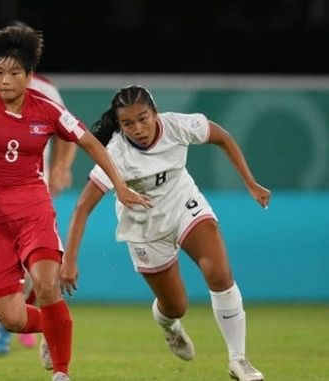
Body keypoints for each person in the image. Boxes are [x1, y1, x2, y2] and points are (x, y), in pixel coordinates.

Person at [0, 27, 150, 381]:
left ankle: (62, 372)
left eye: (14, 73)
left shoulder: (47, 108)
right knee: (12, 317)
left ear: (29, 76)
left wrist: (120, 185)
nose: (4, 81)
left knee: (47, 282)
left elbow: (90, 143)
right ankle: (54, 327)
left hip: (34, 207)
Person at [60, 85, 270, 381]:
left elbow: (223, 137)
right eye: (128, 123)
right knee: (176, 306)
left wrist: (250, 182)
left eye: (143, 118)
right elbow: (82, 207)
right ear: (119, 125)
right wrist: (69, 260)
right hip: (144, 227)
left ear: (155, 113)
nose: (138, 128)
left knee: (219, 274)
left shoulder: (177, 126)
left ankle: (239, 360)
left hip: (184, 205)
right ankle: (169, 325)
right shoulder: (116, 153)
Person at [0, 71, 77, 356]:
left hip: (30, 195)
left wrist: (61, 167)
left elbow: (69, 132)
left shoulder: (45, 90)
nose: (5, 77)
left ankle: (44, 326)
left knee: (35, 274)